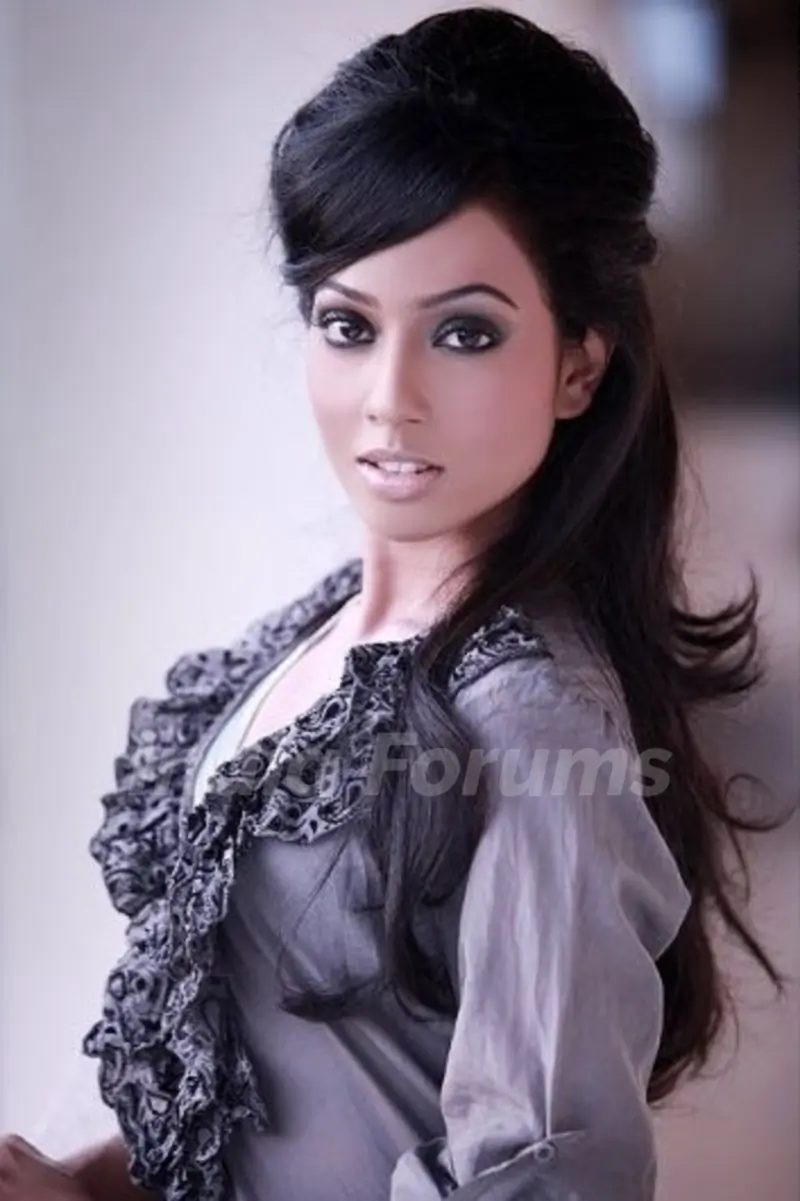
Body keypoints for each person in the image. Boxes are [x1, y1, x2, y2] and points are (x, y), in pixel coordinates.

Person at [0, 6, 787, 1200]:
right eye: (347, 325)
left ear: (577, 364)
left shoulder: (531, 723)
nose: (389, 396)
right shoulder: (308, 644)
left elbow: (546, 1178)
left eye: (463, 332)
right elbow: (267, 1081)